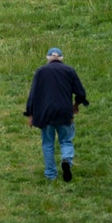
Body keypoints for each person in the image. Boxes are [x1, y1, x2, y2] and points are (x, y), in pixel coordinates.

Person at [23, 47, 89, 181]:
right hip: (65, 112)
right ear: (61, 59)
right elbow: (81, 93)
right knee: (66, 140)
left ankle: (51, 175)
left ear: (48, 58)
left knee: (48, 143)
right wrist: (76, 105)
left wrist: (30, 113)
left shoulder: (40, 72)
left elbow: (33, 95)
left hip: (45, 113)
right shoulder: (69, 71)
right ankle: (66, 160)